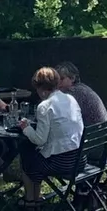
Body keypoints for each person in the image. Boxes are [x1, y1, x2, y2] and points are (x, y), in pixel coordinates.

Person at [15, 68, 82, 204]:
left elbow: (40, 140)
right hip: (79, 159)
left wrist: (25, 128)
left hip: (61, 163)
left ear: (41, 88)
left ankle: (30, 200)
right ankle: (36, 198)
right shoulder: (70, 99)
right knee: (35, 155)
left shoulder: (44, 106)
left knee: (26, 155)